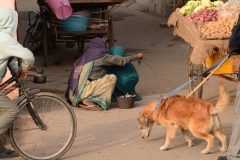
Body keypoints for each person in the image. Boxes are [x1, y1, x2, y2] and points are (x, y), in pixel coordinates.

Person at [65, 37, 143, 111]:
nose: (105, 47)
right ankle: (88, 99)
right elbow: (120, 61)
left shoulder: (85, 56)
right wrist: (136, 56)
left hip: (73, 94)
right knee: (111, 78)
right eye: (104, 44)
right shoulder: (101, 57)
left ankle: (84, 98)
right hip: (83, 91)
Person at [0, 7, 35, 158]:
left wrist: (17, 68)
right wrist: (25, 67)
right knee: (12, 110)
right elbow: (28, 56)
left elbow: (6, 58)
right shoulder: (4, 39)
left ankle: (0, 150)